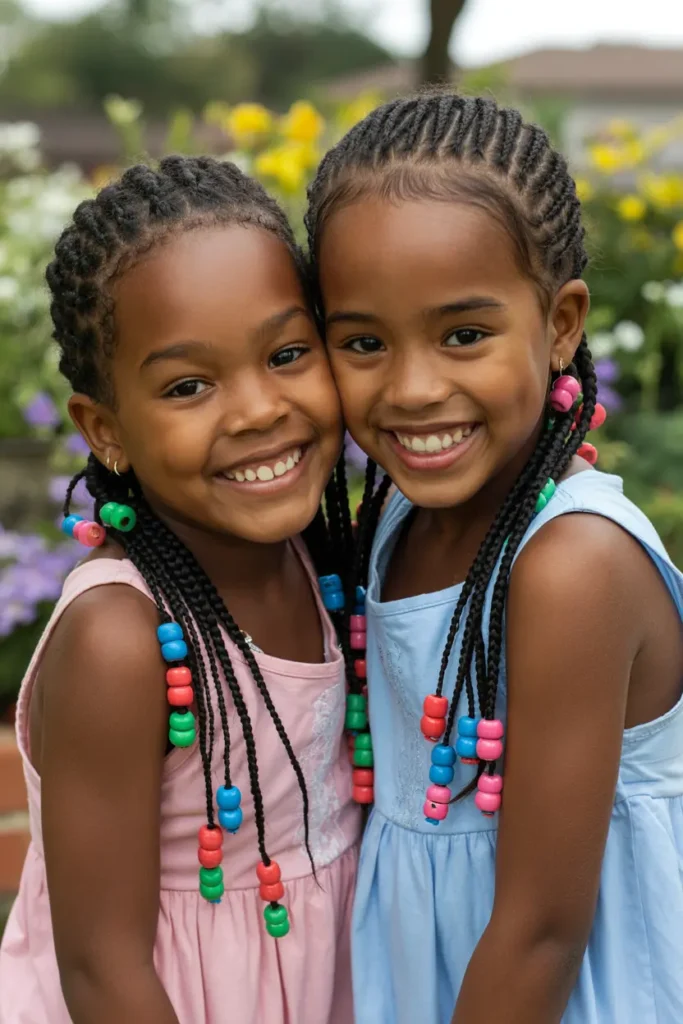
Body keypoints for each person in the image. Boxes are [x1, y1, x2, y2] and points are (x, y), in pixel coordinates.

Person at [305, 93, 683, 1024]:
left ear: (559, 325)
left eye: (463, 335)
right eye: (361, 342)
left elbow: (541, 932)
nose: (414, 388)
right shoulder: (394, 516)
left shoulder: (569, 568)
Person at [0, 155, 361, 1024]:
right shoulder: (121, 639)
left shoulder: (321, 567)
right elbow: (100, 968)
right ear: (106, 429)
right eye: (189, 386)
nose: (256, 410)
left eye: (285, 354)